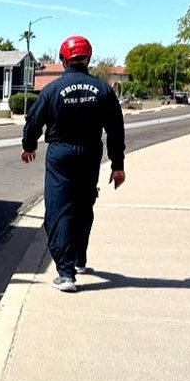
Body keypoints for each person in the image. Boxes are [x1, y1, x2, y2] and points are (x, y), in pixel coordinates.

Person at [21, 36, 126, 293]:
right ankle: (79, 259)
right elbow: (116, 129)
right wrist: (117, 165)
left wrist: (29, 146)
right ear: (88, 58)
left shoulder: (52, 90)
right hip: (90, 154)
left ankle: (66, 274)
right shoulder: (103, 90)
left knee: (59, 211)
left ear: (63, 59)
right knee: (83, 206)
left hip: (61, 155)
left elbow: (34, 120)